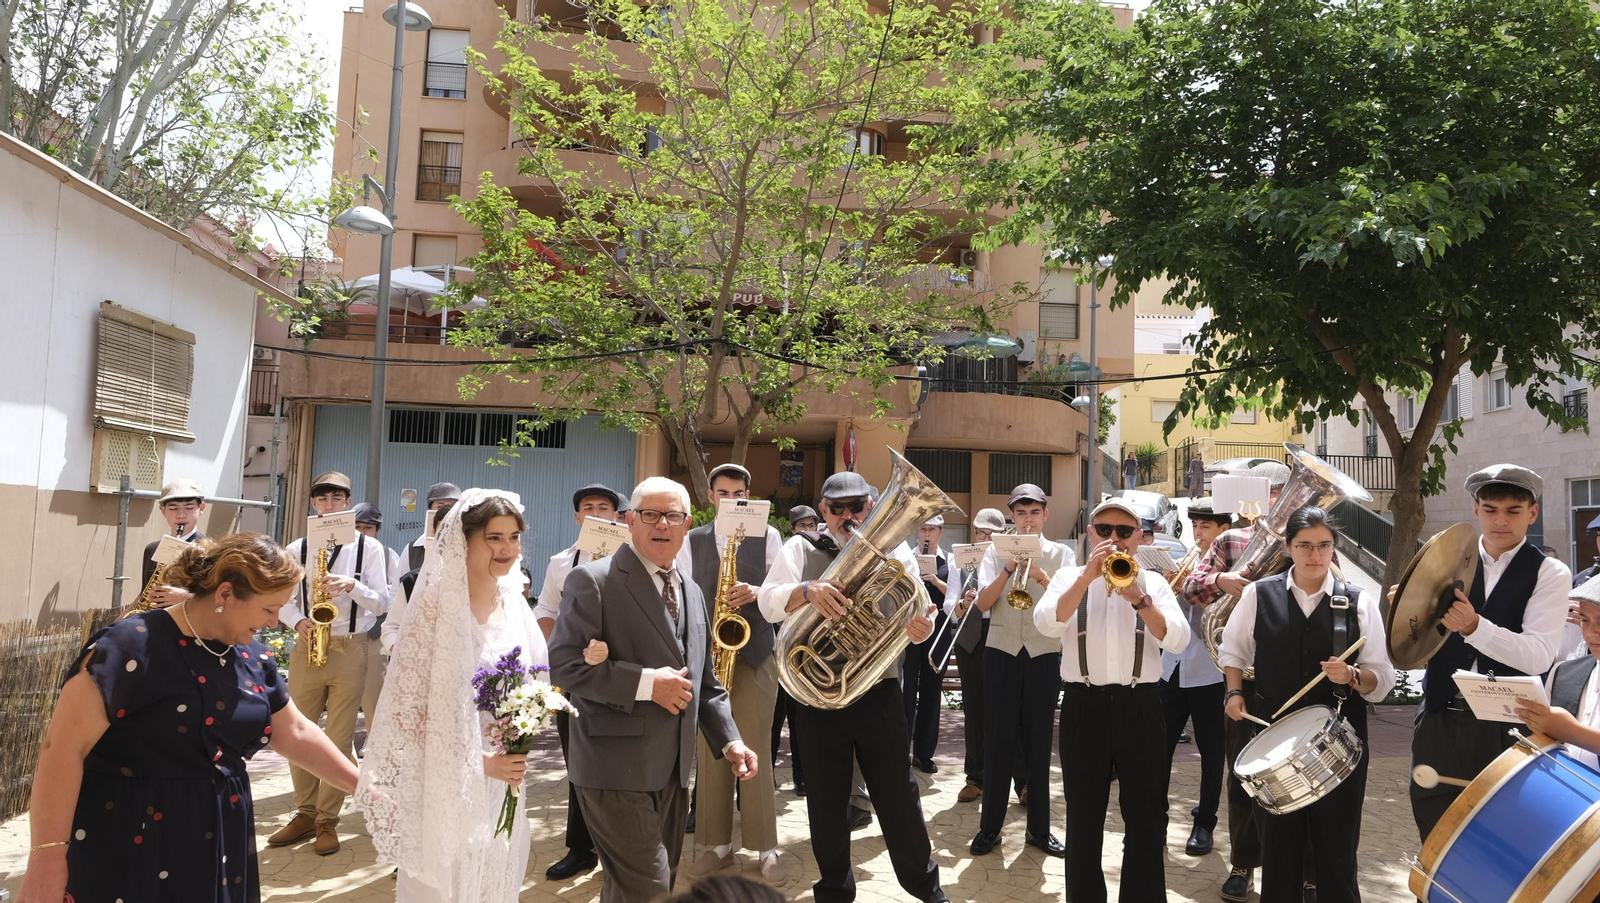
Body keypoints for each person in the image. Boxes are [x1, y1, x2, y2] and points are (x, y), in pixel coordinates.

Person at [17, 534, 360, 903]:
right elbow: (62, 751)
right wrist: (47, 860)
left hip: (219, 844)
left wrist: (367, 791)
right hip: (128, 840)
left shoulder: (253, 659)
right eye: (268, 609)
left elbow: (295, 732)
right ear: (225, 594)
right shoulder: (128, 646)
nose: (276, 622)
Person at [549, 477, 758, 903]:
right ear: (630, 521)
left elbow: (705, 683)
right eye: (651, 514)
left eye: (674, 516)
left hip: (675, 772)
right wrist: (647, 684)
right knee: (647, 889)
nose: (662, 524)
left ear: (686, 525)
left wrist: (731, 740)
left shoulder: (694, 591)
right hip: (613, 770)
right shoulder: (592, 579)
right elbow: (565, 666)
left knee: (648, 887)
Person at [757, 471, 950, 903]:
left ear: (871, 506)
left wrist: (919, 628)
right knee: (826, 799)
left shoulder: (892, 547)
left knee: (898, 793)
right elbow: (768, 602)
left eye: (857, 506)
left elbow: (919, 606)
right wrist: (806, 591)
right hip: (817, 695)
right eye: (838, 508)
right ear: (823, 510)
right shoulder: (802, 547)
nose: (848, 515)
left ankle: (925, 886)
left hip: (877, 689)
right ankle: (834, 891)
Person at [356, 490, 550, 902]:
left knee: (495, 875)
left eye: (514, 537)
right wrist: (480, 763)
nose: (507, 548)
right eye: (494, 537)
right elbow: (407, 711)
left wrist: (519, 735)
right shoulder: (433, 607)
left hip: (505, 777)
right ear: (465, 539)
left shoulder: (515, 602)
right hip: (446, 780)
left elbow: (536, 680)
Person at [1220, 506, 1396, 903]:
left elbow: (1382, 678)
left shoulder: (1357, 601)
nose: (1315, 555)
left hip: (1340, 741)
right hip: (1273, 738)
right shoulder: (1258, 594)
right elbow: (1233, 652)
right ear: (1288, 546)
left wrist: (1352, 677)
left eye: (1324, 545)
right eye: (1304, 546)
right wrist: (1233, 693)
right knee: (1279, 848)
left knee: (1336, 850)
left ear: (1334, 549)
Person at [1406, 464, 1570, 843]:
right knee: (1434, 839)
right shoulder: (1444, 562)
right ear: (1476, 510)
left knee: (1499, 841)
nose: (1501, 521)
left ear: (1533, 512)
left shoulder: (1551, 572)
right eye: (1491, 510)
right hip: (1439, 718)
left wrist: (1474, 626)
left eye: (1513, 511)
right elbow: (1410, 643)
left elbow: (1539, 656)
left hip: (1509, 728)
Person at [1035, 498, 1188, 903]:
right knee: (1083, 817)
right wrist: (1085, 578)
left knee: (1146, 818)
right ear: (1091, 534)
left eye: (1124, 532)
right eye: (1105, 530)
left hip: (1141, 706)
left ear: (1139, 537)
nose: (1114, 539)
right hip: (1084, 706)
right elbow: (1047, 623)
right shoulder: (1068, 576)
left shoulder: (1153, 583)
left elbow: (1177, 638)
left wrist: (1138, 596)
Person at [1179, 459, 1290, 903]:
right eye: (1272, 495)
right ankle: (1243, 864)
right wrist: (1223, 580)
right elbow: (1192, 587)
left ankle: (1302, 870)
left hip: (1296, 676)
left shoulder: (1312, 542)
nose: (1275, 504)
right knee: (1243, 775)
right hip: (1245, 673)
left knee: (1293, 775)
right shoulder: (1230, 538)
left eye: (1282, 495)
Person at [268, 471, 391, 856]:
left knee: (338, 737)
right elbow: (283, 599)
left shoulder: (367, 547)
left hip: (350, 646)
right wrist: (298, 620)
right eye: (322, 498)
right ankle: (303, 812)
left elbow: (383, 602)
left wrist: (352, 586)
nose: (329, 504)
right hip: (308, 644)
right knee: (296, 731)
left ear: (348, 503)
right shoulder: (296, 547)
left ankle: (326, 819)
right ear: (313, 504)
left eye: (337, 498)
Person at [677, 463, 787, 884]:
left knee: (757, 748)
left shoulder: (771, 536)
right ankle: (715, 845)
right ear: (710, 496)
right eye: (722, 492)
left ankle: (766, 847)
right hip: (709, 657)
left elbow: (781, 597)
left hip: (756, 652)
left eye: (738, 493)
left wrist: (758, 594)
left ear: (749, 496)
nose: (730, 500)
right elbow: (685, 595)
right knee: (711, 753)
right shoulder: (692, 540)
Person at [969, 484, 1070, 858]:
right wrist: (1010, 567)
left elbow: (1066, 605)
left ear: (1045, 515)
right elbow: (982, 603)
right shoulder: (995, 553)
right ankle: (989, 828)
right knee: (997, 743)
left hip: (1043, 654)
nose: (1027, 519)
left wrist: (1040, 574)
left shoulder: (1062, 553)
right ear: (1012, 516)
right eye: (1020, 513)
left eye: (1034, 512)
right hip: (1001, 653)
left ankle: (1039, 831)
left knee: (1040, 743)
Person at [536, 481, 623, 881]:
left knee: (622, 763)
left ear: (616, 515)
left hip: (622, 677)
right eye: (588, 506)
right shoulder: (560, 562)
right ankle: (581, 848)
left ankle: (622, 851)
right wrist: (557, 647)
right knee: (579, 762)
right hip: (574, 679)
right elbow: (546, 607)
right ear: (577, 516)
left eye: (603, 507)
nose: (595, 513)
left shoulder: (632, 557)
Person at [1159, 501, 1234, 858]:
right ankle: (1155, 817)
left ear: (1224, 531)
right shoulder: (1186, 564)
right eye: (1196, 527)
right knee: (1158, 747)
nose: (1199, 534)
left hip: (1209, 671)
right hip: (1171, 666)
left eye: (1206, 527)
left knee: (1211, 751)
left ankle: (1205, 821)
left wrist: (1197, 592)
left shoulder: (1232, 567)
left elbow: (1229, 618)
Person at [944, 508, 1026, 805]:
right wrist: (963, 605)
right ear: (973, 533)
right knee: (975, 710)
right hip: (972, 636)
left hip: (1004, 632)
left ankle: (1023, 782)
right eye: (980, 533)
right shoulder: (961, 560)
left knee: (1011, 708)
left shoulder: (1012, 557)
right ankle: (975, 777)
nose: (985, 538)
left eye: (991, 534)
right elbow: (948, 603)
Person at [1516, 576, 1600, 770]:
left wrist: (1570, 731)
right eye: (1585, 620)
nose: (1592, 631)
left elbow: (1566, 730)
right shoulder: (1564, 672)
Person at [771, 511, 816, 797]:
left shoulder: (817, 553)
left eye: (812, 525)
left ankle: (802, 776)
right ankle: (767, 774)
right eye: (802, 525)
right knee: (773, 721)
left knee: (800, 721)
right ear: (793, 528)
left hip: (804, 652)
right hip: (777, 647)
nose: (808, 530)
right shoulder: (785, 552)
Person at [352, 502, 404, 747]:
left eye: (368, 528)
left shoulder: (387, 554)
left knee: (374, 696)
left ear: (377, 530)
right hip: (342, 634)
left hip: (374, 635)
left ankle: (376, 745)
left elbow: (394, 596)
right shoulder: (340, 551)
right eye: (358, 527)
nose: (363, 532)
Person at [903, 515, 950, 776]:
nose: (927, 533)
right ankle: (902, 750)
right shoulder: (907, 558)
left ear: (941, 532)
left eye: (931, 529)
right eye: (922, 528)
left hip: (938, 631)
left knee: (932, 690)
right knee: (906, 689)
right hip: (911, 629)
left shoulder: (949, 561)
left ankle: (924, 753)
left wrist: (934, 580)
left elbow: (953, 597)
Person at [131, 478, 209, 611]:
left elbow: (221, 599)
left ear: (201, 508)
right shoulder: (152, 549)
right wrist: (121, 620)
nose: (181, 515)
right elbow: (145, 594)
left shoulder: (210, 551)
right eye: (173, 508)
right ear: (163, 510)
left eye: (189, 508)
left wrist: (186, 596)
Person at [408, 482, 462, 571]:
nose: (447, 512)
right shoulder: (412, 549)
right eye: (440, 506)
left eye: (453, 507)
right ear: (430, 510)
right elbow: (399, 583)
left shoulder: (471, 547)